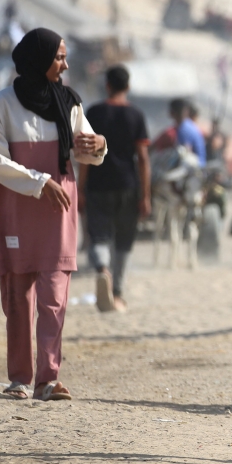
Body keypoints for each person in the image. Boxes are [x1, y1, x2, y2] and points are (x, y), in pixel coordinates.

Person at [0, 28, 107, 402]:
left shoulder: (69, 102)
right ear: (39, 60)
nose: (66, 65)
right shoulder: (3, 104)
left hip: (59, 210)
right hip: (18, 210)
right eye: (59, 58)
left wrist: (99, 145)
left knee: (54, 296)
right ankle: (20, 380)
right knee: (18, 297)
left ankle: (47, 380)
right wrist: (39, 182)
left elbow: (86, 150)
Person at [80, 65, 150, 313]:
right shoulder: (136, 116)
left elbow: (85, 154)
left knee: (98, 235)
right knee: (124, 240)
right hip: (128, 185)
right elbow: (142, 158)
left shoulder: (94, 112)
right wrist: (145, 195)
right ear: (128, 87)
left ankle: (101, 270)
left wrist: (80, 188)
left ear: (107, 85)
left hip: (98, 184)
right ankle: (117, 293)